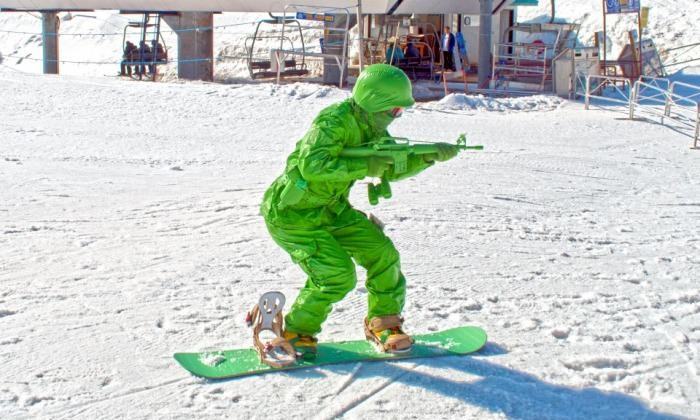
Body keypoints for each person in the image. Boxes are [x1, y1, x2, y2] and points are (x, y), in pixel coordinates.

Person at [260, 64, 460, 360]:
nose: (396, 116)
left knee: (383, 254)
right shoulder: (333, 122)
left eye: (399, 111)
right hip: (293, 215)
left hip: (333, 210)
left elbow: (391, 166)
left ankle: (384, 322)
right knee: (337, 276)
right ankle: (296, 330)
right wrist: (364, 167)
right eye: (393, 110)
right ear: (375, 103)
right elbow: (311, 167)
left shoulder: (371, 126)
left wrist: (429, 156)